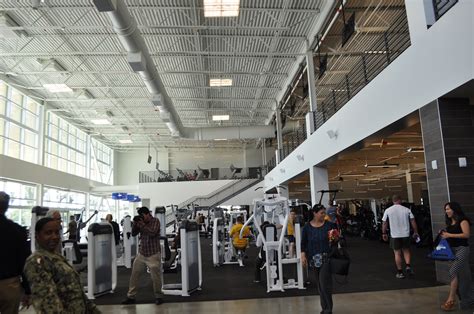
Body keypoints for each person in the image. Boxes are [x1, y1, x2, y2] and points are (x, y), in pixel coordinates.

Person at [24, 217, 100, 314]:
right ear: (37, 236)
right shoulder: (37, 262)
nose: (54, 236)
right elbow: (48, 305)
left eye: (57, 232)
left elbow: (79, 294)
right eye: (48, 233)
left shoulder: (57, 257)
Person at [122, 207, 164, 305]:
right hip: (142, 254)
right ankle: (131, 297)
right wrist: (135, 225)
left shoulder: (155, 221)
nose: (142, 218)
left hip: (153, 254)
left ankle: (159, 296)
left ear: (147, 214)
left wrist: (141, 224)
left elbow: (152, 232)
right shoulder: (141, 223)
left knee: (155, 277)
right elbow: (133, 234)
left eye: (143, 216)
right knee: (134, 275)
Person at [301, 205, 339, 314]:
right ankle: (324, 308)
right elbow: (303, 243)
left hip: (327, 257)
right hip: (313, 259)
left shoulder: (330, 225)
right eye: (322, 213)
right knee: (319, 284)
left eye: (324, 213)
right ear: (315, 213)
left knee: (324, 284)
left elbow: (335, 241)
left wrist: (335, 237)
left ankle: (328, 310)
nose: (324, 215)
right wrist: (303, 256)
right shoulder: (307, 227)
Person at [0, 192, 31, 314]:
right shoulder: (17, 231)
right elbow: (24, 262)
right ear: (7, 207)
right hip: (10, 285)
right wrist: (27, 290)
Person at [440, 202, 474, 311]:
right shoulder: (450, 222)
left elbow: (466, 234)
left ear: (454, 209)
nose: (446, 211)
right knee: (465, 276)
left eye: (448, 209)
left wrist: (449, 235)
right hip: (453, 250)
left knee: (452, 271)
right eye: (445, 209)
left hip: (462, 249)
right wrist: (444, 235)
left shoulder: (463, 220)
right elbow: (451, 236)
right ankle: (468, 300)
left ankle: (451, 299)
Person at [382, 195, 419, 279]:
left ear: (393, 201)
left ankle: (400, 272)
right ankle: (408, 266)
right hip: (405, 235)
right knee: (406, 250)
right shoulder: (407, 210)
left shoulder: (388, 210)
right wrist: (416, 232)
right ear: (400, 200)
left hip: (395, 235)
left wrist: (384, 233)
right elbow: (413, 221)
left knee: (397, 253)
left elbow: (384, 223)